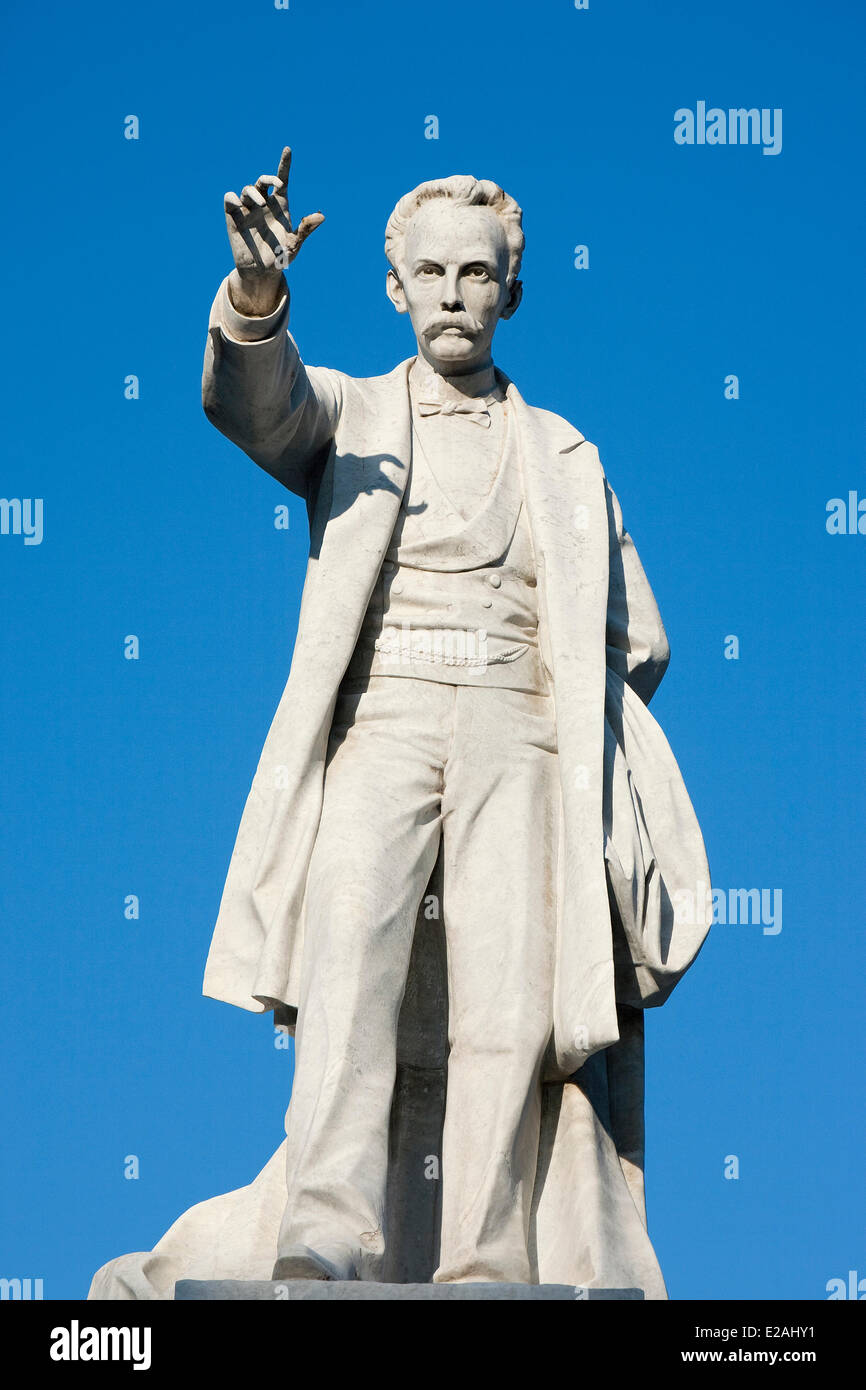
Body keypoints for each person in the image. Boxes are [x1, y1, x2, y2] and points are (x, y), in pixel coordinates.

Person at [200, 147, 711, 1287]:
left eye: (474, 274)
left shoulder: (566, 454)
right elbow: (256, 402)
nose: (449, 291)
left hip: (519, 735)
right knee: (348, 971)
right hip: (382, 720)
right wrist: (253, 295)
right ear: (392, 287)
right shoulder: (355, 410)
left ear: (508, 293)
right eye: (427, 271)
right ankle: (324, 1232)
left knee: (505, 1002)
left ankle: (485, 1257)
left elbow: (643, 639)